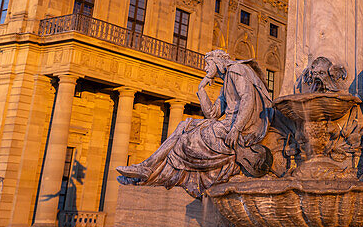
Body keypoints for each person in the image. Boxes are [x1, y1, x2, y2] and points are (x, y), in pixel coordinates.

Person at [117, 49, 273, 198]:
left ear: (217, 61)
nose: (205, 68)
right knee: (182, 128)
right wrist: (201, 88)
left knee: (184, 142)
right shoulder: (226, 82)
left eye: (208, 64)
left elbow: (248, 99)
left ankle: (148, 173)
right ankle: (146, 169)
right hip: (226, 127)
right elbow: (212, 114)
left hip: (237, 130)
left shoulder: (235, 70)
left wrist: (236, 129)